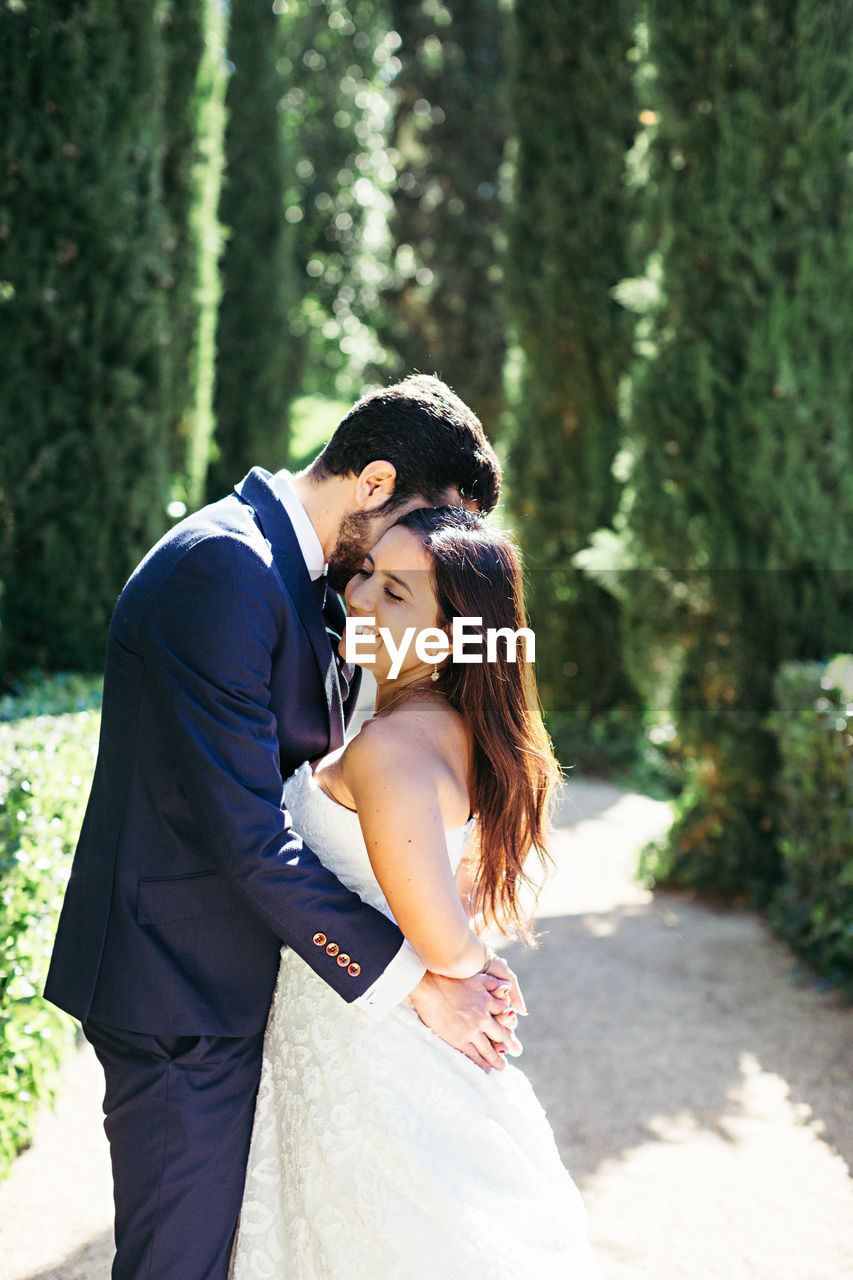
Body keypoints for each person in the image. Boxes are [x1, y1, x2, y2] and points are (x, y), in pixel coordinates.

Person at [44, 376, 522, 1280]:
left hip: (252, 988)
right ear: (374, 483)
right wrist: (415, 980)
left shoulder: (308, 579)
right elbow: (248, 833)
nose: (426, 557)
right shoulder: (223, 566)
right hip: (181, 995)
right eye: (422, 527)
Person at [230, 506, 602, 1279]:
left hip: (373, 1059)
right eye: (366, 571)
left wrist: (478, 972)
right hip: (355, 1040)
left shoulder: (392, 747)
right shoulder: (443, 725)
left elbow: (439, 938)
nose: (356, 596)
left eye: (395, 593)